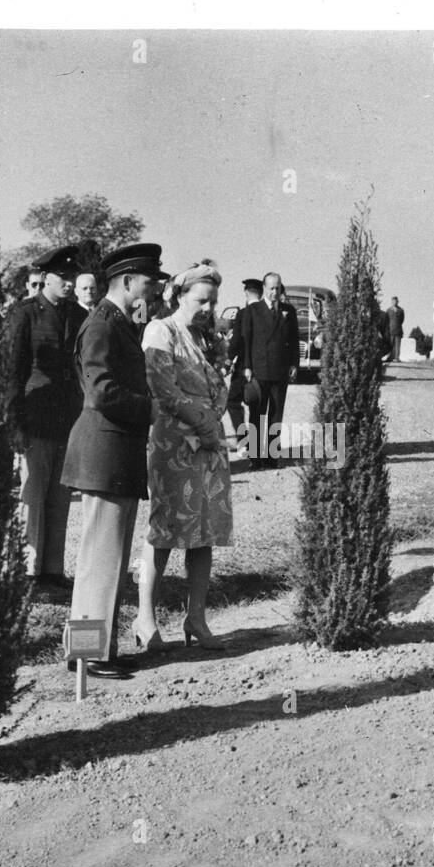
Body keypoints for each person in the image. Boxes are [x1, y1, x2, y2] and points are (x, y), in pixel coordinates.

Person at [61, 242, 167, 676]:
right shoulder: (102, 325)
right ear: (127, 281)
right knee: (99, 562)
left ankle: (93, 650)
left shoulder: (115, 322)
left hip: (113, 454)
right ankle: (87, 654)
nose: (153, 288)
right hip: (104, 452)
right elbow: (101, 391)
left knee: (108, 558)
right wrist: (151, 408)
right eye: (148, 281)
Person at [136, 263, 233, 652]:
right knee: (164, 530)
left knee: (204, 530)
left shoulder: (207, 338)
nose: (208, 308)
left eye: (213, 302)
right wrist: (202, 422)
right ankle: (145, 619)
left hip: (209, 443)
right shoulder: (161, 331)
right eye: (201, 300)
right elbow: (163, 389)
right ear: (179, 296)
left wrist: (213, 420)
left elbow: (221, 387)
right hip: (175, 443)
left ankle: (196, 617)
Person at [6, 245, 87, 589]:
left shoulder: (79, 316)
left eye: (72, 277)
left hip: (67, 420)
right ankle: (27, 570)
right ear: (44, 278)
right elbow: (11, 371)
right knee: (32, 494)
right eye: (63, 278)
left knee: (60, 497)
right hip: (34, 419)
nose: (69, 284)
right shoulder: (23, 314)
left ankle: (53, 570)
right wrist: (13, 423)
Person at [239, 271, 300, 468]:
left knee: (276, 414)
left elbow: (293, 340)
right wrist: (247, 366)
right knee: (257, 414)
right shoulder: (253, 311)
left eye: (278, 288)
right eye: (271, 288)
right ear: (264, 288)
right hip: (259, 369)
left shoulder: (288, 311)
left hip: (280, 370)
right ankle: (256, 458)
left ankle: (272, 456)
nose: (275, 292)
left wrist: (294, 364)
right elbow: (246, 341)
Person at [226, 278, 262, 438]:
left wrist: (228, 360)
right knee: (257, 406)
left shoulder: (243, 313)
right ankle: (256, 443)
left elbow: (236, 342)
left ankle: (244, 439)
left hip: (243, 366)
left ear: (246, 293)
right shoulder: (267, 313)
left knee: (233, 402)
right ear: (261, 294)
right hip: (262, 366)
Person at [386, 296, 406, 364]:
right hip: (390, 330)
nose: (394, 302)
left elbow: (402, 320)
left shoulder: (401, 310)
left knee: (397, 345)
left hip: (398, 330)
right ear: (391, 302)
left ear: (398, 302)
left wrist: (397, 325)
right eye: (393, 301)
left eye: (396, 301)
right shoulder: (388, 310)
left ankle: (397, 357)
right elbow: (386, 320)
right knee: (390, 345)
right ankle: (390, 357)